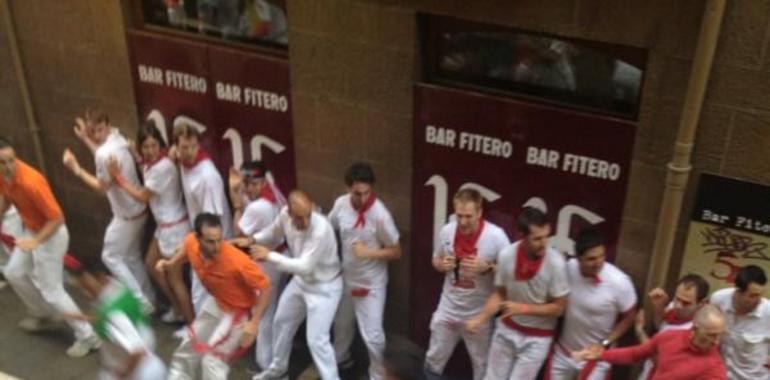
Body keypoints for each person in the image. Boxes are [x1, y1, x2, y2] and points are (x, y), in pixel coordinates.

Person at [0, 135, 101, 357]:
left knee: (52, 291)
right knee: (14, 272)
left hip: (51, 235)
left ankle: (88, 337)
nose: (8, 167)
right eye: (3, 162)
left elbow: (57, 219)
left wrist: (35, 242)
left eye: (11, 161)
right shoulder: (3, 177)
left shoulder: (31, 182)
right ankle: (43, 314)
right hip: (32, 231)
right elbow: (6, 198)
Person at [63, 108, 155, 311]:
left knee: (110, 256)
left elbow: (101, 188)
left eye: (99, 130)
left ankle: (141, 301)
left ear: (106, 125)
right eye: (93, 131)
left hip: (126, 216)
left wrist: (76, 169)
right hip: (139, 210)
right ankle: (149, 297)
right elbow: (103, 155)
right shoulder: (118, 137)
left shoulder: (105, 152)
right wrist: (86, 139)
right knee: (131, 257)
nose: (96, 135)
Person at [159, 213, 271, 380]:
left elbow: (266, 287)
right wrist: (170, 263)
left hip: (238, 312)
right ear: (198, 239)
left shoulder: (236, 261)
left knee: (212, 360)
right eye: (210, 241)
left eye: (219, 239)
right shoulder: (191, 242)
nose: (217, 246)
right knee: (190, 345)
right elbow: (186, 250)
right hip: (217, 302)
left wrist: (254, 324)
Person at [466, 207, 569, 380]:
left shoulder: (556, 264)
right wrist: (480, 318)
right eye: (537, 238)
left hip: (537, 338)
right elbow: (499, 294)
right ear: (522, 235)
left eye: (546, 237)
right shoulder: (506, 256)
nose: (544, 243)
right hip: (506, 329)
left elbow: (559, 308)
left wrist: (523, 308)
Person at [107, 120, 193, 325]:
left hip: (174, 229)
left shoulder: (161, 168)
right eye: (145, 146)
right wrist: (133, 152)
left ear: (160, 145)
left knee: (175, 280)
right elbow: (144, 165)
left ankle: (192, 327)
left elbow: (142, 196)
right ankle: (177, 309)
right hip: (163, 227)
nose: (150, 151)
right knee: (151, 264)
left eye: (154, 145)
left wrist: (118, 178)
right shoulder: (152, 164)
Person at [250, 190, 343, 380]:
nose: (306, 222)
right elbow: (273, 232)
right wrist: (254, 239)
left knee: (317, 341)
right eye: (300, 217)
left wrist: (269, 255)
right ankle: (279, 371)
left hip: (325, 288)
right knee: (281, 322)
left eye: (308, 215)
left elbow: (304, 265)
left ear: (312, 207)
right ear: (289, 212)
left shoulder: (321, 228)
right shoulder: (284, 216)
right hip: (301, 283)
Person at [424, 188, 509, 380]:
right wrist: (441, 265)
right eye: (459, 215)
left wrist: (487, 268)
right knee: (433, 359)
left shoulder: (496, 236)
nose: (463, 222)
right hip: (448, 309)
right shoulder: (446, 231)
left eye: (468, 216)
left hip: (479, 315)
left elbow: (511, 276)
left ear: (479, 213)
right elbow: (435, 260)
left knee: (482, 365)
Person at [329, 163, 402, 379]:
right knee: (341, 323)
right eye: (357, 193)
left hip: (371, 284)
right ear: (347, 188)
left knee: (372, 335)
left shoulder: (381, 215)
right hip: (347, 278)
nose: (362, 199)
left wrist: (369, 253)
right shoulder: (341, 205)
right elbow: (329, 224)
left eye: (366, 192)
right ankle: (340, 359)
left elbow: (397, 251)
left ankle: (378, 375)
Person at [546, 228, 637, 380]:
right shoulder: (568, 268)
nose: (598, 262)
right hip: (564, 353)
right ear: (578, 258)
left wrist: (605, 343)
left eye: (602, 256)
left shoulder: (619, 281)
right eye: (591, 259)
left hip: (596, 358)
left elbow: (630, 315)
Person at [63, 254, 166, 379]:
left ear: (101, 278)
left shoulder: (112, 313)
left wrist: (122, 375)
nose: (85, 293)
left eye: (86, 286)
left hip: (138, 373)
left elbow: (138, 351)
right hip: (147, 363)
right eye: (81, 288)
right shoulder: (118, 287)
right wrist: (89, 319)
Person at [228, 160, 286, 370]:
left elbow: (238, 231)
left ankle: (266, 363)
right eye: (247, 183)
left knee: (262, 314)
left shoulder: (259, 207)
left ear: (263, 183)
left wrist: (236, 202)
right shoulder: (272, 195)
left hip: (265, 263)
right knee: (272, 312)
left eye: (254, 184)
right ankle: (272, 360)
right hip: (277, 257)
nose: (249, 188)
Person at [573, 305, 728, 380]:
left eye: (719, 335)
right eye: (711, 335)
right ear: (695, 328)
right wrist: (601, 354)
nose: (716, 342)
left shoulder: (714, 367)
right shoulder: (669, 337)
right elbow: (636, 354)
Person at [173, 122, 233, 314]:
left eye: (193, 146)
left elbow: (211, 224)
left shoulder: (208, 177)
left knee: (204, 297)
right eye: (184, 147)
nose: (189, 152)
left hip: (213, 244)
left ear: (199, 145)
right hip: (199, 240)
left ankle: (208, 341)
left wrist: (189, 246)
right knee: (202, 297)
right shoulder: (181, 160)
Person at [635, 273, 710, 379]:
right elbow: (661, 327)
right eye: (677, 299)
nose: (678, 306)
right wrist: (659, 308)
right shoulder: (672, 307)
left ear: (701, 303)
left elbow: (660, 361)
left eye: (686, 303)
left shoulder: (695, 331)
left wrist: (640, 332)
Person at [709, 265, 769, 380]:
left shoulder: (768, 312)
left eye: (760, 295)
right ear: (738, 292)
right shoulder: (718, 300)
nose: (758, 300)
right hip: (719, 375)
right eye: (753, 295)